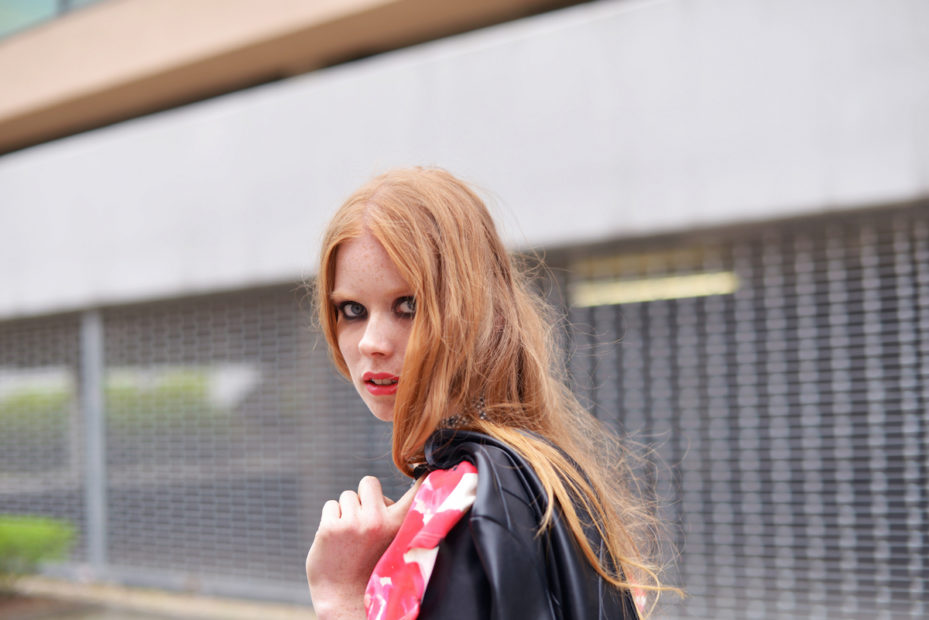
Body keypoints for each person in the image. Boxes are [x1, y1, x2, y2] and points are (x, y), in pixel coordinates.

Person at [306, 168, 670, 619]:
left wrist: (340, 597)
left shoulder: (472, 506)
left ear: (475, 310)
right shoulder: (543, 474)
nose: (371, 342)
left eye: (409, 306)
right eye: (352, 310)